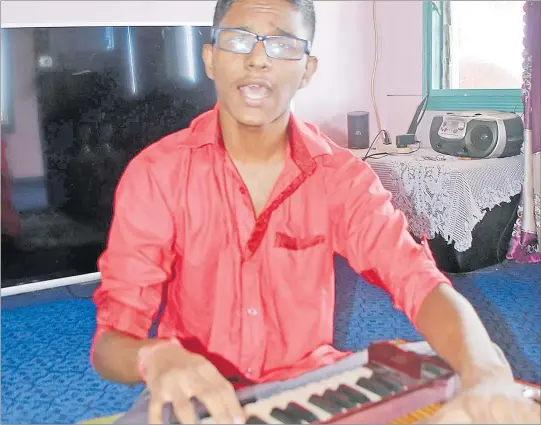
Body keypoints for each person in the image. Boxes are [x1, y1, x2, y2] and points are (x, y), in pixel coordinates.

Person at [91, 0, 541, 424]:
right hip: (193, 390)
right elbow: (111, 342)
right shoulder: (157, 174)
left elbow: (417, 280)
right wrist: (157, 358)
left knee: (448, 370)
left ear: (307, 70)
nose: (258, 59)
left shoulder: (341, 176)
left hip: (311, 380)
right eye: (239, 40)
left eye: (283, 44)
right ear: (210, 57)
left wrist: (485, 369)